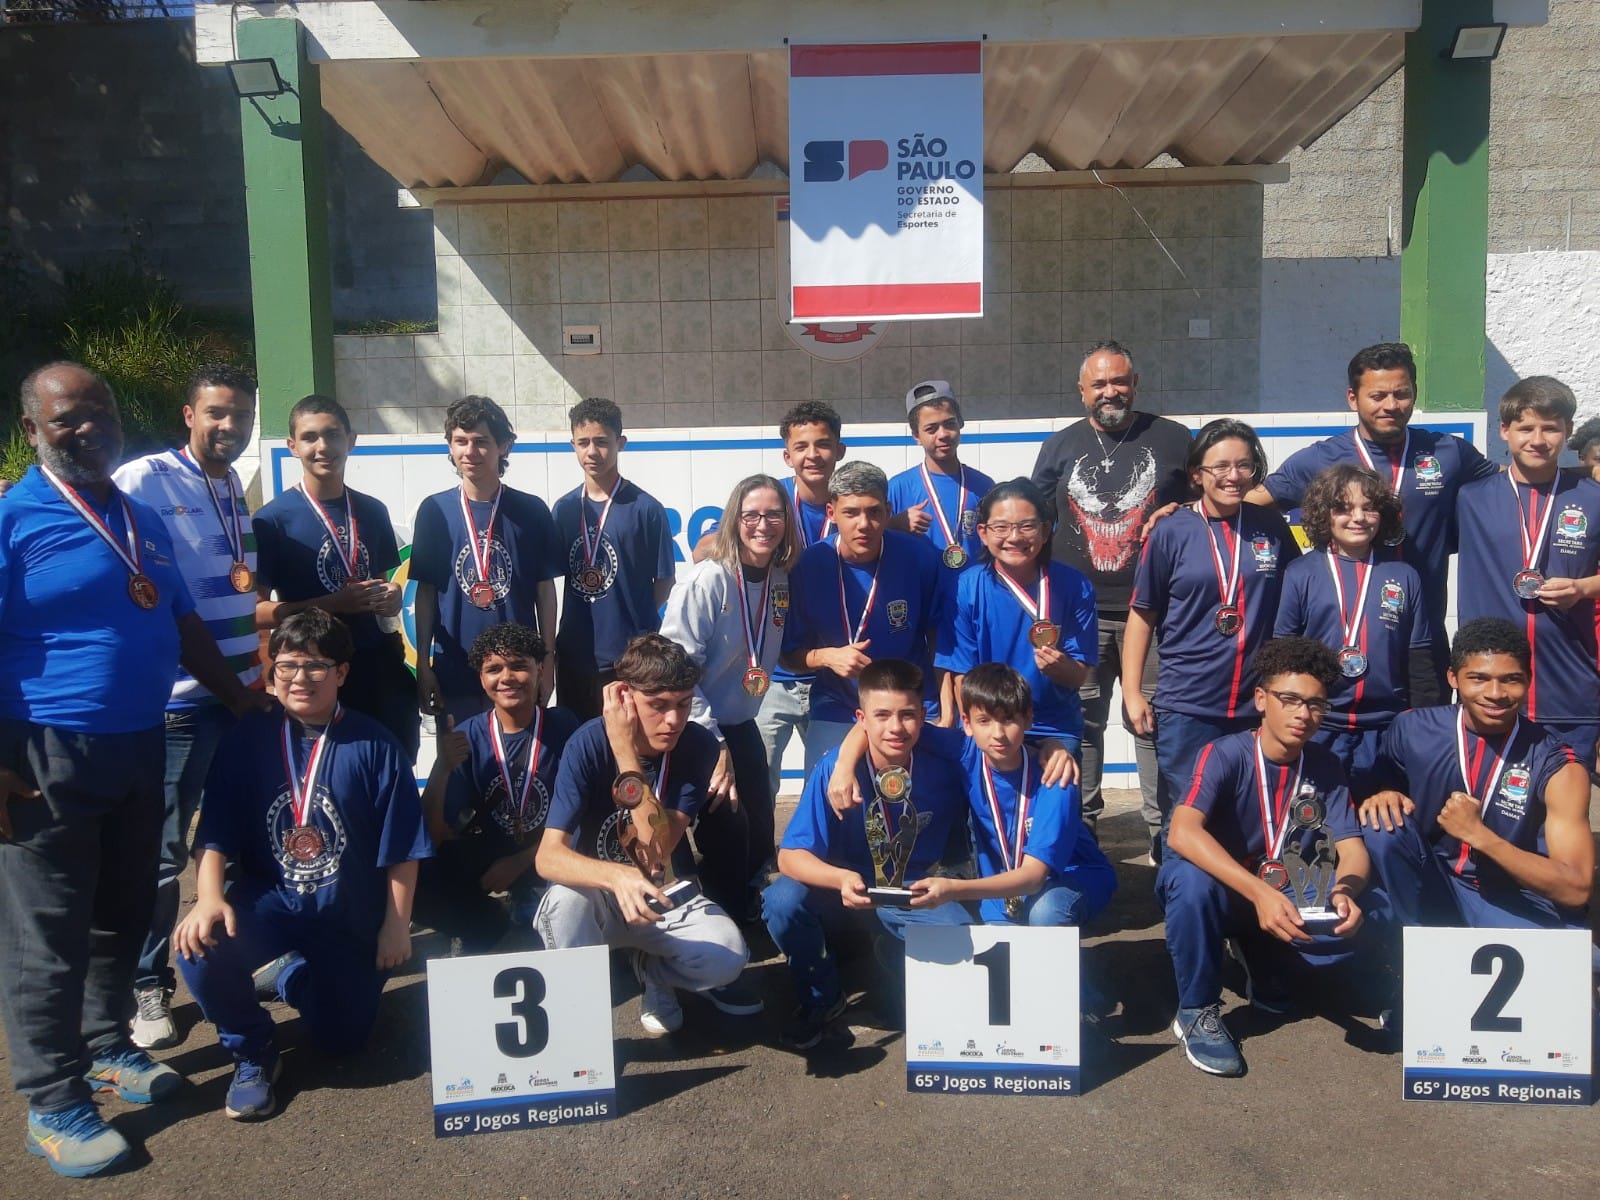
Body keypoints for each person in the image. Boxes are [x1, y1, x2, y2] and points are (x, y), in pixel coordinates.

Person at [0, 363, 263, 1177]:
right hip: (45, 752)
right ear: (33, 430)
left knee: (122, 907)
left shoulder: (138, 516)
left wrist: (246, 702)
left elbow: (182, 622)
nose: (92, 427)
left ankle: (109, 1046)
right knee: (48, 930)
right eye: (70, 417)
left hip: (141, 738)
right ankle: (53, 1098)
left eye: (102, 411)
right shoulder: (15, 517)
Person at [175, 610, 431, 1122]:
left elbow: (403, 847)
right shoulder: (247, 739)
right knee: (198, 948)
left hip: (347, 913)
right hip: (271, 902)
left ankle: (291, 976)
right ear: (272, 671)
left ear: (342, 673)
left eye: (316, 667)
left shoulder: (376, 745)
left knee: (344, 1042)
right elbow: (215, 830)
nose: (299, 679)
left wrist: (395, 927)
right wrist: (207, 897)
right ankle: (253, 1051)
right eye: (287, 666)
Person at [112, 363, 266, 1050]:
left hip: (243, 693)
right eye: (217, 413)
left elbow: (236, 589)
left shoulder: (234, 484)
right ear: (189, 414)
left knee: (232, 835)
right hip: (180, 702)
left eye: (240, 415)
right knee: (163, 847)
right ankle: (148, 983)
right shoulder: (144, 480)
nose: (229, 426)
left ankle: (230, 952)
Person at [1160, 638, 1371, 1078]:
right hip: (1227, 886)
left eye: (1315, 705)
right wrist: (1258, 894)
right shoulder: (1223, 753)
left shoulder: (1325, 764)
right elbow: (1182, 832)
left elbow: (1351, 848)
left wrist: (1348, 891)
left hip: (1280, 887)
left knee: (1363, 914)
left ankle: (1259, 951)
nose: (1303, 714)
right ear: (1261, 699)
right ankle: (1197, 1009)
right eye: (1290, 700)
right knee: (1190, 885)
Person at [533, 634, 753, 1036]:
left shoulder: (697, 745)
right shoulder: (587, 742)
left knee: (729, 957)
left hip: (658, 888)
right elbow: (547, 857)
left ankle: (654, 971)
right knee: (564, 902)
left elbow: (654, 853)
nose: (673, 720)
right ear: (626, 698)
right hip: (595, 897)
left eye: (683, 704)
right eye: (658, 705)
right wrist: (616, 876)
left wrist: (626, 755)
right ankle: (578, 1022)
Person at [1250, 341, 1494, 691]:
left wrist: (1584, 475)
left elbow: (1514, 483)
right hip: (1342, 642)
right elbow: (1249, 503)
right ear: (1353, 398)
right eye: (1378, 396)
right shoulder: (1320, 459)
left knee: (1422, 737)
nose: (1391, 406)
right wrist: (1180, 514)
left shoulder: (1448, 452)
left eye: (1401, 394)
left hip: (1421, 643)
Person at [763, 659, 973, 1050]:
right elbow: (790, 857)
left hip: (913, 886)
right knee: (781, 901)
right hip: (846, 887)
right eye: (882, 716)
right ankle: (821, 998)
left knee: (959, 941)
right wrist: (839, 879)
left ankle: (887, 962)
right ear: (861, 719)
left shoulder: (948, 758)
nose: (896, 728)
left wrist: (1049, 747)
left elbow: (1003, 748)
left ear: (923, 714)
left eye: (908, 715)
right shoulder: (834, 769)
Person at [1032, 340, 1192, 831]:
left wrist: (1181, 509)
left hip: (1155, 613)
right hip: (1080, 616)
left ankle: (1163, 836)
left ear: (1135, 384)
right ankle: (1082, 832)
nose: (1110, 391)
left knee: (1152, 723)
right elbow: (1036, 521)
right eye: (1099, 383)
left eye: (1119, 381)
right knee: (1082, 725)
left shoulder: (1175, 439)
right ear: (1082, 391)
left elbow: (1215, 503)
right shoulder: (1058, 446)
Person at [1124, 419, 1300, 856]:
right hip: (1189, 705)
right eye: (1220, 465)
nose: (1232, 475)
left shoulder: (1270, 527)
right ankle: (1184, 913)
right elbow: (1142, 616)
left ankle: (1240, 913)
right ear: (1197, 473)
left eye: (1243, 465)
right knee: (1185, 816)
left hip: (1253, 704)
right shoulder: (1170, 530)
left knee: (1247, 814)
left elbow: (1301, 590)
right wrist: (1131, 692)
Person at [826, 662, 1112, 928]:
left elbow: (1035, 877)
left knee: (1045, 914)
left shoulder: (1054, 777)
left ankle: (1077, 982)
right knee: (1000, 968)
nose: (998, 734)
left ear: (1028, 720)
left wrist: (954, 890)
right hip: (1001, 892)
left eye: (1008, 720)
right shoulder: (966, 751)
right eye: (984, 721)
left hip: (1067, 877)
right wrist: (844, 764)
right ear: (966, 722)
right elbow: (884, 725)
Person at [1358, 618, 1593, 942]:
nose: (1495, 693)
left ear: (1528, 680)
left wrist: (1479, 835)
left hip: (1511, 896)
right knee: (1381, 825)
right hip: (1434, 886)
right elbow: (1381, 790)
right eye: (1479, 679)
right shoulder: (1411, 729)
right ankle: (1410, 945)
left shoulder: (1558, 764)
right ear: (1453, 678)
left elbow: (1576, 888)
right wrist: (1383, 793)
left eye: (1510, 680)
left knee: (1584, 967)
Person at [660, 474, 801, 922]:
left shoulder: (778, 578)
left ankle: (739, 904)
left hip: (741, 725)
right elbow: (674, 669)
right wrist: (713, 742)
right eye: (752, 515)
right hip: (694, 728)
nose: (764, 524)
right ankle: (713, 917)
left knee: (759, 830)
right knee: (726, 823)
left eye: (774, 514)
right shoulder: (707, 580)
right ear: (734, 520)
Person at [252, 394, 416, 759]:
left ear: (351, 441)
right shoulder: (273, 520)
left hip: (376, 666)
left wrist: (389, 594)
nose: (323, 446)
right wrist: (330, 605)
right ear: (293, 446)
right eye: (310, 437)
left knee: (393, 765)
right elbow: (257, 612)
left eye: (332, 435)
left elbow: (383, 582)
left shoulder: (373, 511)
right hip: (315, 671)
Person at [1455, 377, 1600, 764]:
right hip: (1492, 694)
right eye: (1526, 427)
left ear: (1567, 431)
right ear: (1505, 430)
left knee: (1563, 816)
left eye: (1551, 428)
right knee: (1491, 810)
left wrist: (1584, 587)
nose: (1538, 439)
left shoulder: (1593, 498)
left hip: (1570, 689)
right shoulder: (1469, 498)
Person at [414, 623, 580, 952]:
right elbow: (432, 835)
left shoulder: (565, 726)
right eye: (494, 669)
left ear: (541, 670)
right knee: (415, 881)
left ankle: (534, 896)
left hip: (551, 849)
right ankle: (485, 922)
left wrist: (522, 861)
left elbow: (584, 817)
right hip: (490, 851)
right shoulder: (468, 735)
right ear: (481, 678)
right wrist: (441, 768)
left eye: (519, 665)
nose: (506, 677)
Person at [1274, 464, 1433, 798]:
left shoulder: (1404, 576)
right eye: (1343, 508)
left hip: (1386, 727)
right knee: (1316, 823)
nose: (1358, 517)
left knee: (1382, 825)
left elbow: (1419, 659)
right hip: (1320, 725)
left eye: (1369, 508)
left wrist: (1418, 726)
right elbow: (1284, 654)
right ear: (1323, 515)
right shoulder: (1301, 573)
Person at [780, 461, 949, 771]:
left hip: (909, 705)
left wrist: (947, 711)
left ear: (887, 511)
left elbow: (943, 639)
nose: (864, 524)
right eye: (851, 513)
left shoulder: (920, 557)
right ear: (831, 513)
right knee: (829, 796)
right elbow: (788, 656)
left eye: (874, 512)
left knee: (919, 806)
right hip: (837, 707)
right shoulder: (808, 566)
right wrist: (828, 657)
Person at [412, 395, 561, 731]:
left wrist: (547, 663)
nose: (470, 452)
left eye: (481, 442)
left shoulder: (531, 511)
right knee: (461, 768)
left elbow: (545, 592)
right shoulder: (435, 512)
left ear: (504, 446)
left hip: (517, 670)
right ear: (449, 447)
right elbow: (426, 591)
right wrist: (423, 663)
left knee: (522, 767)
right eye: (460, 442)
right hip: (456, 666)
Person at [937, 478, 1097, 756]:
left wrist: (1060, 668)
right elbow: (960, 674)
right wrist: (978, 731)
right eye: (1001, 527)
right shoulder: (965, 588)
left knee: (1056, 791)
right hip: (989, 727)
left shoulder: (1075, 585)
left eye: (1027, 526)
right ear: (983, 533)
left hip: (1052, 728)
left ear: (1046, 530)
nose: (1014, 537)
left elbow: (1078, 677)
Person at [553, 398, 676, 722]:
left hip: (630, 660)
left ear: (620, 443)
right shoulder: (564, 509)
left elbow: (664, 580)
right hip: (575, 657)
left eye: (602, 442)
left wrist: (633, 621)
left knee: (630, 754)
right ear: (573, 446)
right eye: (583, 443)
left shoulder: (646, 509)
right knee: (579, 751)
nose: (592, 452)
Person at [887, 380, 995, 569]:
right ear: (916, 436)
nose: (943, 434)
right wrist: (894, 524)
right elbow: (872, 540)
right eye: (931, 429)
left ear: (960, 424)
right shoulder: (897, 488)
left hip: (972, 593)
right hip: (923, 593)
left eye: (949, 424)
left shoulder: (984, 486)